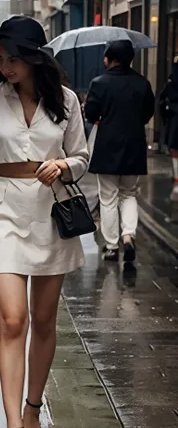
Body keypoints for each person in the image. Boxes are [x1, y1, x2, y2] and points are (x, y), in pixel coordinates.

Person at [0, 16, 88, 428]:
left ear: (35, 58)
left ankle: (33, 407)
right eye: (0, 58)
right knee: (13, 319)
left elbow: (83, 158)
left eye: (13, 57)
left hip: (51, 214)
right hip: (3, 213)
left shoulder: (65, 100)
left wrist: (62, 164)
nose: (5, 65)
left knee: (43, 320)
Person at [85, 39, 155, 262]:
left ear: (110, 59)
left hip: (107, 144)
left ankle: (112, 246)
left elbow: (90, 115)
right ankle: (128, 236)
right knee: (129, 193)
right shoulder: (142, 83)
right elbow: (147, 113)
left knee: (108, 197)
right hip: (134, 143)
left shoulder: (99, 83)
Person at [159, 58, 178, 201]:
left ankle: (177, 180)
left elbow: (162, 102)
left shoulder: (171, 85)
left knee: (175, 151)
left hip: (175, 121)